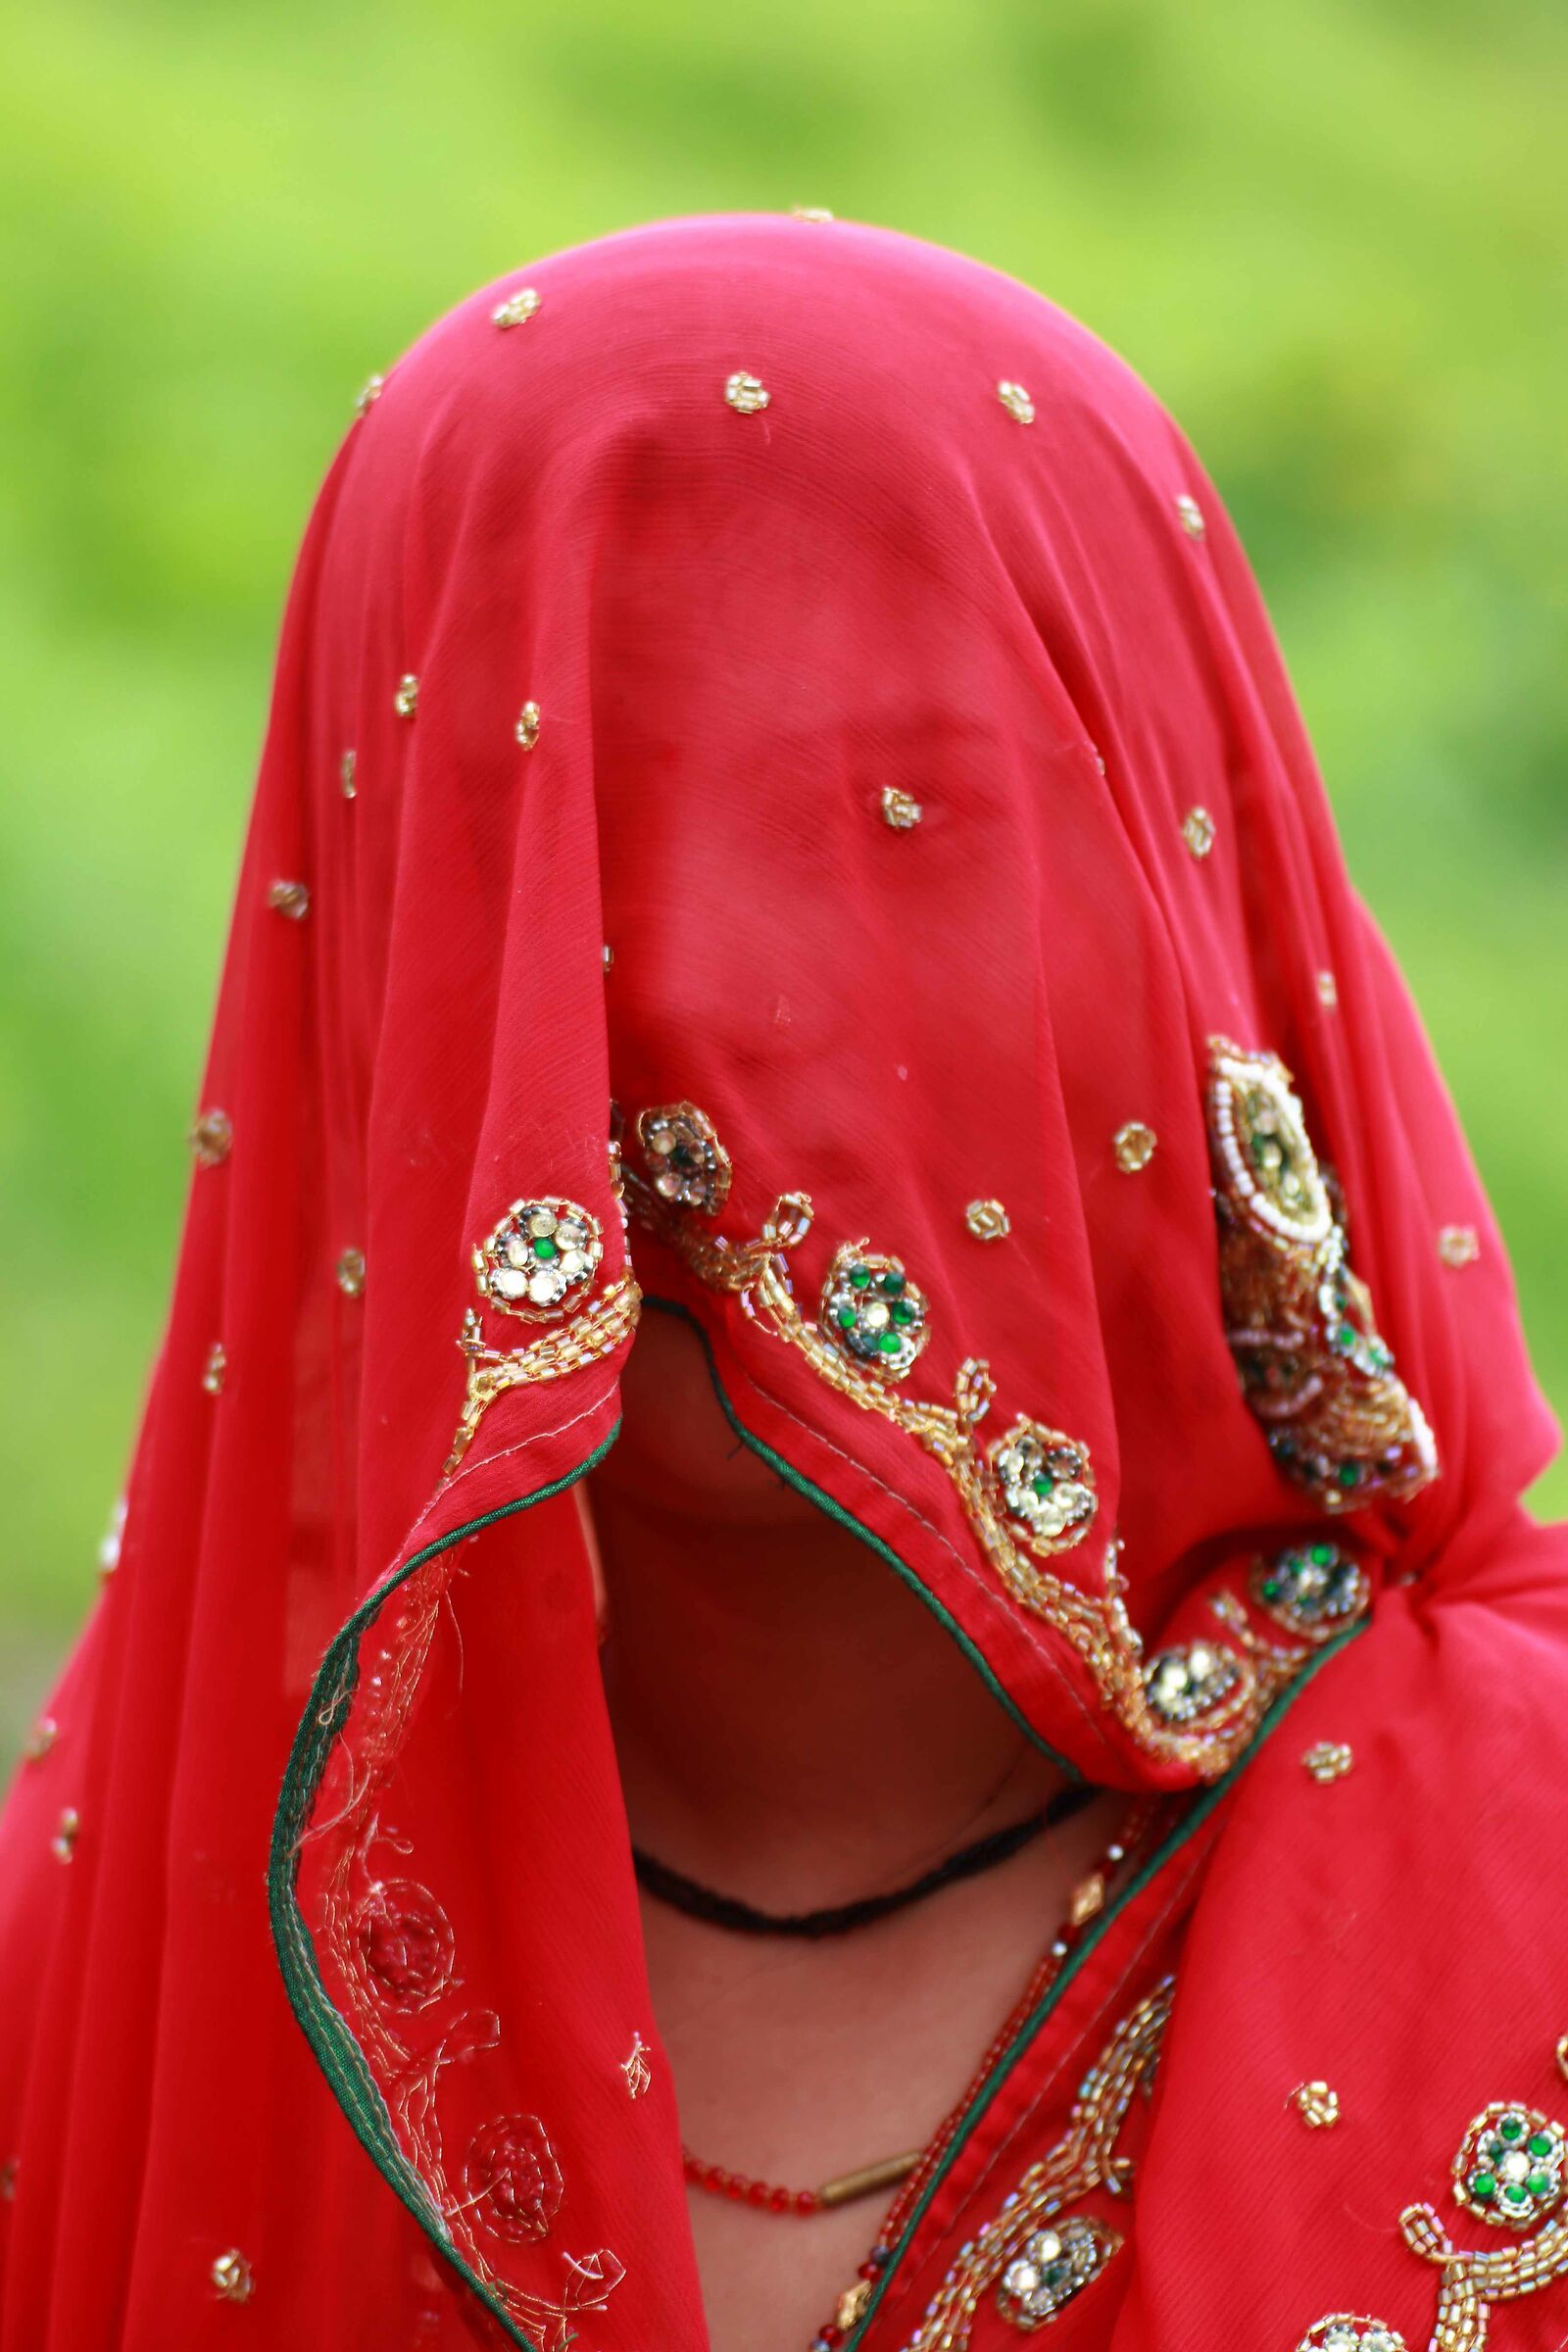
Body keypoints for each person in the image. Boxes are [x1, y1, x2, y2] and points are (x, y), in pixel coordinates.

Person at [2, 212, 1565, 2352]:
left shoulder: (1524, 1890)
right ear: (356, 948)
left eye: (895, 831)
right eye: (548, 851)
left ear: (1168, 930)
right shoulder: (89, 1989)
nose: (704, 1038)